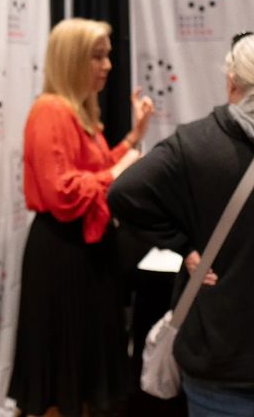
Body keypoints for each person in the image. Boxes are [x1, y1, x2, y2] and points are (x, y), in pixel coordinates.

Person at [7, 18, 154, 417]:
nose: (107, 65)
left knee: (82, 364)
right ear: (72, 59)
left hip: (86, 251)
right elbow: (63, 193)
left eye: (107, 56)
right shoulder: (50, 111)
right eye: (97, 56)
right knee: (62, 368)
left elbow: (95, 168)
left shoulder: (77, 112)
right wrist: (117, 171)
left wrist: (133, 137)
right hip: (62, 254)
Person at [108, 31, 254, 417]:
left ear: (232, 82)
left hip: (219, 360)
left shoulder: (195, 144)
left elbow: (123, 193)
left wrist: (181, 244)